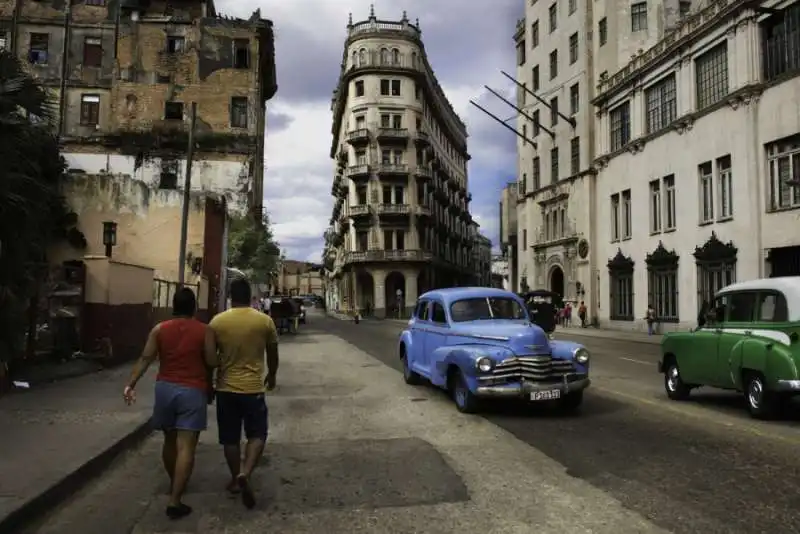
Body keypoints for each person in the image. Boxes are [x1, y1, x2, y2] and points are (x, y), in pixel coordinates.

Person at [123, 287, 217, 520]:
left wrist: (130, 384)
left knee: (169, 439)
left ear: (174, 306)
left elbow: (146, 358)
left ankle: (175, 481)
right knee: (187, 446)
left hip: (165, 389)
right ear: (194, 307)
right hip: (193, 391)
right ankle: (175, 500)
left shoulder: (159, 329)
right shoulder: (205, 331)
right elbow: (212, 361)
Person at [209, 278, 279, 509]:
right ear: (250, 296)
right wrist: (273, 375)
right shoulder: (264, 321)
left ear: (231, 296)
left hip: (226, 389)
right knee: (257, 434)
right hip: (253, 389)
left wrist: (213, 379)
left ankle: (235, 477)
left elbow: (210, 359)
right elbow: (273, 353)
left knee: (230, 438)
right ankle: (246, 472)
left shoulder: (217, 322)